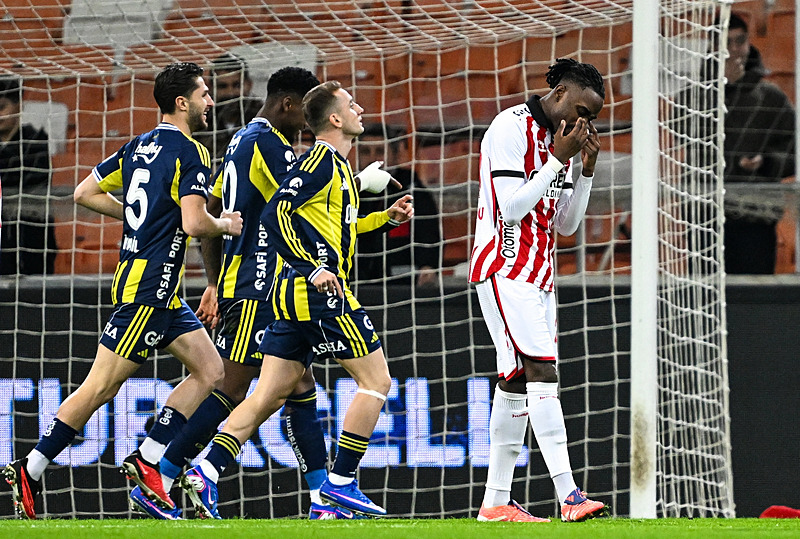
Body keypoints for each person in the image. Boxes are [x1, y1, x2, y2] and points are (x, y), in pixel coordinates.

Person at [2, 62, 243, 520]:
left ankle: (148, 458)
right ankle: (31, 468)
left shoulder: (140, 146)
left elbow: (84, 192)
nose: (211, 102)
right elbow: (195, 224)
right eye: (204, 94)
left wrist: (140, 221)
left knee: (212, 371)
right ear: (182, 102)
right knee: (100, 387)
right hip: (147, 290)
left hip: (162, 293)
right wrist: (225, 223)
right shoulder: (191, 152)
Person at [179, 81, 412, 519]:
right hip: (314, 294)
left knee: (266, 395)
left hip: (293, 299)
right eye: (351, 104)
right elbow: (275, 214)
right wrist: (313, 268)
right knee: (376, 381)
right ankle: (339, 485)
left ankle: (206, 471)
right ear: (336, 119)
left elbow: (337, 231)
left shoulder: (339, 170)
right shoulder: (320, 162)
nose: (361, 109)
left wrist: (384, 218)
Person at [132, 66, 334, 520]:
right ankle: (165, 471)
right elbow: (307, 202)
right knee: (243, 383)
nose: (309, 121)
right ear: (287, 103)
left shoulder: (243, 140)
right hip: (261, 284)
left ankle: (324, 495)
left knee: (287, 381)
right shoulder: (271, 146)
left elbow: (214, 214)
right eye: (306, 111)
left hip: (250, 283)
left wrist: (214, 283)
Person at [469, 58, 609, 523]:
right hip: (504, 266)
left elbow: (565, 224)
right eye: (585, 111)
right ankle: (569, 495)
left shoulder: (562, 145)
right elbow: (509, 209)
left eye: (593, 117)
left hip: (540, 276)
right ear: (562, 93)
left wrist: (583, 171)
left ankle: (495, 502)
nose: (586, 123)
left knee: (513, 385)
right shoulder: (510, 127)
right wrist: (557, 160)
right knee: (541, 372)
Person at [719, 12, 794, 274]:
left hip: (757, 218)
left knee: (753, 306)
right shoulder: (696, 99)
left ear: (749, 43)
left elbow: (794, 152)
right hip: (706, 219)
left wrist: (766, 162)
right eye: (725, 42)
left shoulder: (772, 98)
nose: (733, 50)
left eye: (740, 41)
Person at [356, 124, 441, 287]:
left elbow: (428, 231)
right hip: (360, 278)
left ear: (395, 154)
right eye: (365, 151)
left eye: (380, 151)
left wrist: (428, 265)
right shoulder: (353, 189)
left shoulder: (411, 188)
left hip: (403, 280)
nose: (372, 157)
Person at [0, 76, 57, 275]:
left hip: (32, 239)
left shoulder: (36, 140)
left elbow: (31, 181)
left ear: (18, 106)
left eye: (2, 107)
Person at [194, 53, 264, 168]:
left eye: (236, 85)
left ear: (249, 85)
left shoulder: (263, 118)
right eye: (223, 86)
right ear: (210, 88)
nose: (230, 93)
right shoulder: (199, 121)